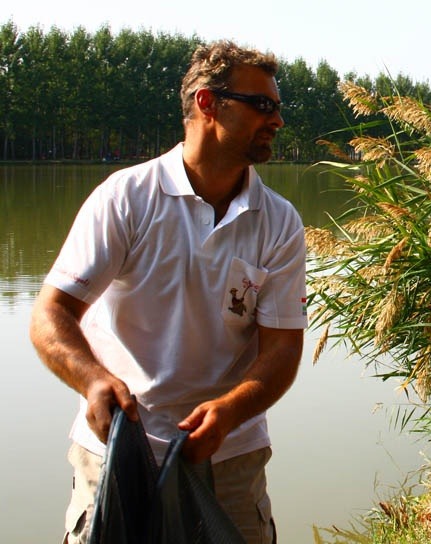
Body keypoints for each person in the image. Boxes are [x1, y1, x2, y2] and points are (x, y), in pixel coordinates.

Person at [30, 40, 308, 544]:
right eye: (263, 105)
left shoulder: (280, 222)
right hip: (115, 450)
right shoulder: (127, 198)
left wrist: (229, 412)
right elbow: (51, 313)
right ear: (207, 103)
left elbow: (284, 350)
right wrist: (92, 381)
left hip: (229, 454)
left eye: (278, 107)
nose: (277, 120)